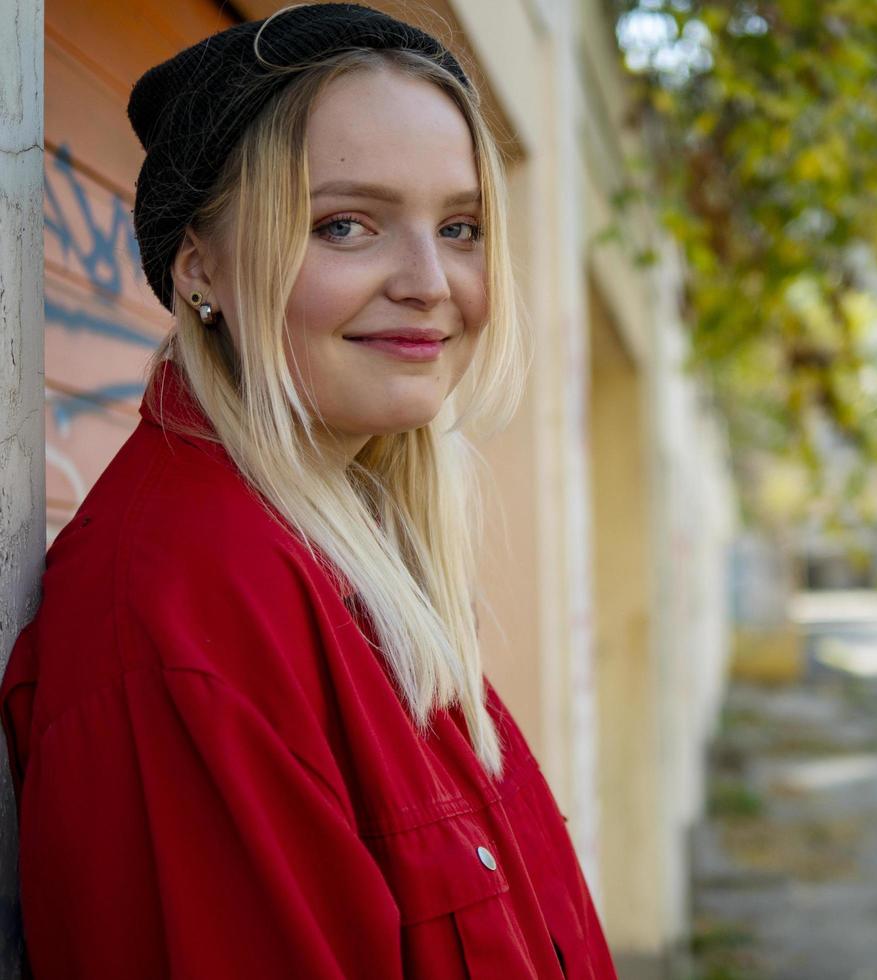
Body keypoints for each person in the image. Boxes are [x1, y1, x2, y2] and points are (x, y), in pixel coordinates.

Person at [0, 4, 618, 977]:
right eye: (346, 224)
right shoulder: (186, 617)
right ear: (199, 265)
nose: (430, 280)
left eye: (460, 226)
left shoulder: (348, 550)